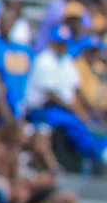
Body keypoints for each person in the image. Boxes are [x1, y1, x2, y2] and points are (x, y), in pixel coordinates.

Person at [26, 27, 107, 167]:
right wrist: (77, 111)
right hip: (41, 110)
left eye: (64, 43)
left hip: (62, 108)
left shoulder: (66, 59)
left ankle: (100, 151)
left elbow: (76, 89)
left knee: (92, 120)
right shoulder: (44, 60)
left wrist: (90, 109)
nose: (62, 46)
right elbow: (52, 96)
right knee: (74, 123)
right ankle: (98, 155)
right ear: (52, 42)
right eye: (59, 43)